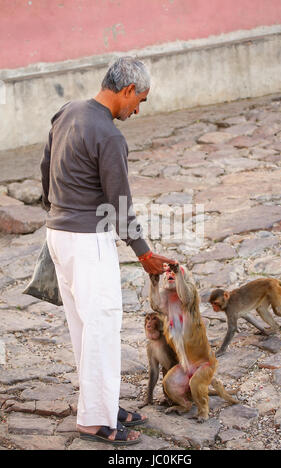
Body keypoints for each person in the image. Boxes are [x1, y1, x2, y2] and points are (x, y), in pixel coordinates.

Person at [40, 56, 176, 446]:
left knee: (84, 327)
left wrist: (56, 212)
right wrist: (144, 252)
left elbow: (45, 168)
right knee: (99, 328)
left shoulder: (68, 112)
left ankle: (100, 403)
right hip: (87, 240)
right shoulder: (110, 135)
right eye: (141, 101)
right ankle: (95, 421)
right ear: (128, 90)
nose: (138, 109)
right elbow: (120, 204)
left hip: (60, 236)